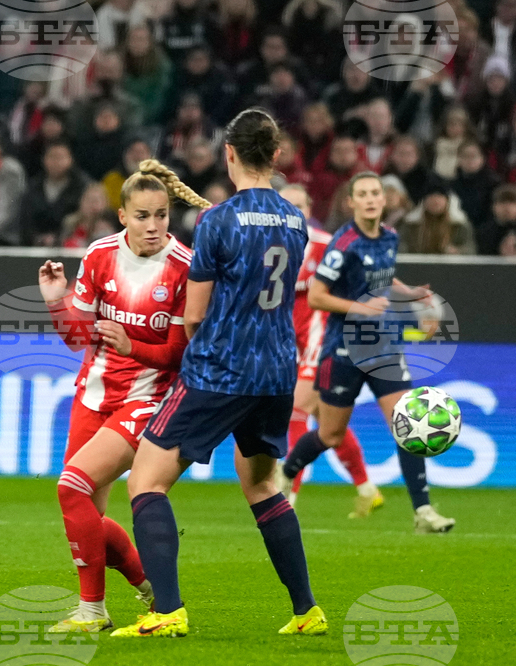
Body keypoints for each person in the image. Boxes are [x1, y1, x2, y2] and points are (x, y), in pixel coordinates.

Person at [112, 108, 325, 639]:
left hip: (222, 370)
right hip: (277, 370)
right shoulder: (296, 219)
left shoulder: (218, 219)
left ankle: (166, 611)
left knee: (146, 482)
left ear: (228, 153)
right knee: (260, 486)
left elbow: (196, 313)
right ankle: (306, 611)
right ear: (275, 156)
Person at [39, 160, 199, 632]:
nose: (154, 226)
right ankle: (148, 584)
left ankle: (92, 612)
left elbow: (177, 354)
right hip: (93, 393)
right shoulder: (100, 255)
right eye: (143, 215)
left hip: (147, 398)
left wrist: (133, 346)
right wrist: (55, 300)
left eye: (162, 215)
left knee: (71, 487)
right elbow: (77, 338)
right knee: (84, 511)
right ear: (123, 216)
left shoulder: (184, 267)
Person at [275, 171, 456, 535]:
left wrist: (414, 298)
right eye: (364, 194)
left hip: (384, 347)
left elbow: (384, 280)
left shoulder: (389, 237)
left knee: (409, 425)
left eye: (376, 193)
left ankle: (423, 512)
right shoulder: (343, 244)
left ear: (384, 200)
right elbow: (316, 296)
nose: (371, 199)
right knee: (329, 435)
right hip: (343, 351)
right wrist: (359, 308)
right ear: (351, 203)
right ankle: (288, 470)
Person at [278, 184, 382, 514]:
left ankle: (287, 495)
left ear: (309, 210)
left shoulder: (324, 245)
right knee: (328, 424)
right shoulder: (269, 249)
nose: (294, 212)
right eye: (287, 206)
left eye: (300, 205)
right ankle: (367, 489)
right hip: (291, 341)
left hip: (322, 336)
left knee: (296, 411)